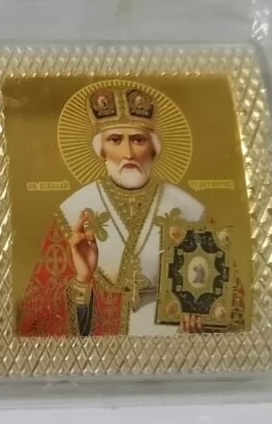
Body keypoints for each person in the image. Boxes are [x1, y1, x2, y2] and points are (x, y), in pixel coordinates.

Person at [19, 84, 206, 336]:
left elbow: (226, 300)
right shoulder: (73, 211)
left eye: (138, 140)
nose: (128, 153)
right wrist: (83, 280)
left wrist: (198, 320)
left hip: (171, 343)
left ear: (153, 149)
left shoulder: (188, 209)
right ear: (102, 150)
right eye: (115, 140)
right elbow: (40, 319)